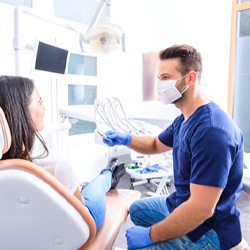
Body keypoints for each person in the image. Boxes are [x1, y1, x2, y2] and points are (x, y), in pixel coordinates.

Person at [102, 44, 244, 249]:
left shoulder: (212, 132)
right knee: (135, 210)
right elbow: (154, 144)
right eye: (159, 78)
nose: (160, 85)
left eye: (166, 77)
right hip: (181, 202)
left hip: (207, 230)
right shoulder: (185, 119)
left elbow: (200, 210)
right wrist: (126, 139)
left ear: (190, 78)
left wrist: (151, 235)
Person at [0, 75, 126, 231]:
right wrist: (76, 191)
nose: (44, 108)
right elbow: (81, 208)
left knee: (84, 184)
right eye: (40, 102)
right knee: (97, 186)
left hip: (29, 235)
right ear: (21, 111)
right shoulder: (57, 167)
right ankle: (108, 175)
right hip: (79, 230)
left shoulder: (6, 171)